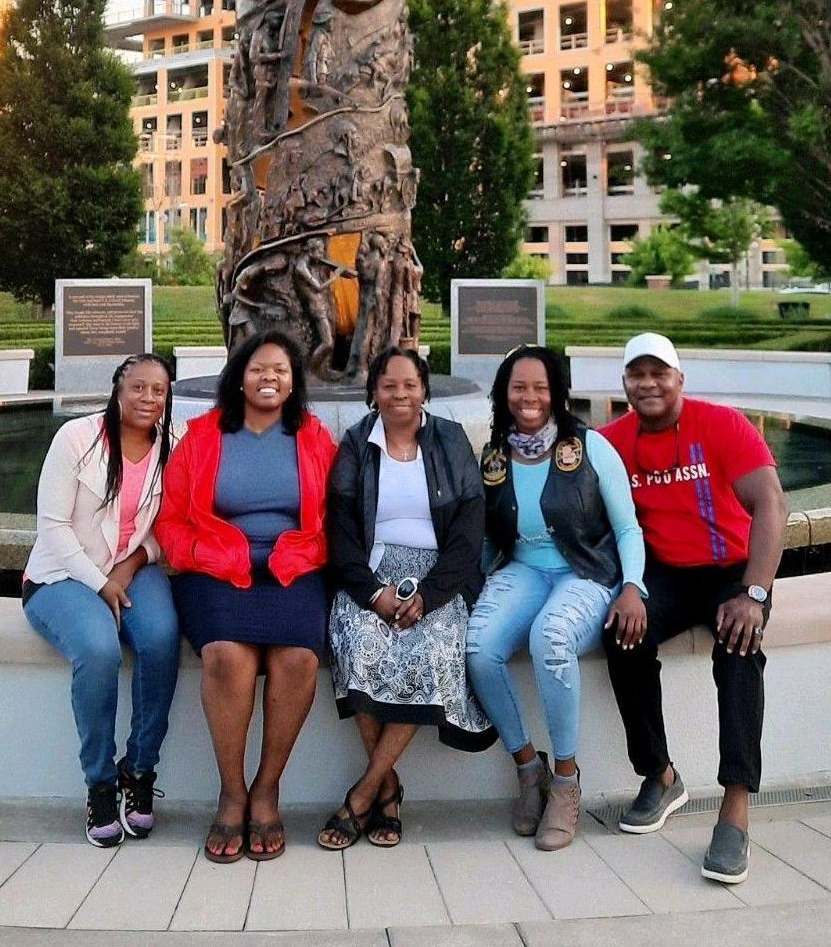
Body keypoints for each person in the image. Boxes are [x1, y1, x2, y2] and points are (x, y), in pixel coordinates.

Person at [599, 333, 788, 887]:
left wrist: (754, 593)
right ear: (625, 385)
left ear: (680, 379)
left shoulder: (724, 425)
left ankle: (735, 808)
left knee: (739, 647)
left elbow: (772, 503)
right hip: (666, 573)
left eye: (660, 373)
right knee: (622, 634)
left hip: (732, 569)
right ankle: (660, 774)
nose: (649, 383)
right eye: (637, 374)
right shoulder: (610, 442)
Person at [155, 329, 338, 864]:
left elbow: (334, 519)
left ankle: (267, 788)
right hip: (215, 569)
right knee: (226, 658)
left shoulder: (313, 438)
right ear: (238, 377)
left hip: (292, 568)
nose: (269, 379)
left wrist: (296, 556)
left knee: (299, 659)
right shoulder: (202, 437)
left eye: (281, 371)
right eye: (259, 369)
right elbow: (171, 524)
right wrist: (219, 558)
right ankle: (232, 792)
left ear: (293, 382)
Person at [465, 345, 647, 852]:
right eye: (519, 387)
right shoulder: (496, 453)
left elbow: (628, 528)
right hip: (523, 568)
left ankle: (566, 781)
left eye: (540, 388)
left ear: (557, 393)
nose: (530, 398)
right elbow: (487, 535)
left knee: (552, 637)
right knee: (478, 652)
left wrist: (633, 586)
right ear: (504, 392)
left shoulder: (590, 448)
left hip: (585, 572)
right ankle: (529, 770)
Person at [319, 347, 494, 851]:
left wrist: (433, 596)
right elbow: (343, 530)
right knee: (355, 640)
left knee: (433, 650)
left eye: (410, 385)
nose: (400, 395)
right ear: (373, 392)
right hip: (371, 577)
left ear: (424, 391)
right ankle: (388, 791)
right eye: (389, 385)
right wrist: (373, 593)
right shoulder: (356, 443)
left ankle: (362, 794)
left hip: (437, 578)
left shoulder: (450, 439)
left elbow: (468, 529)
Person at [23, 354, 181, 847]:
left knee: (160, 639)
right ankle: (100, 783)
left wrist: (130, 567)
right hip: (62, 575)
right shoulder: (76, 438)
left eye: (158, 390)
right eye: (138, 388)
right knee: (98, 649)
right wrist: (100, 582)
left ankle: (139, 771)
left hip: (131, 569)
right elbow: (52, 528)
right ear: (117, 389)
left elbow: (167, 529)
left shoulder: (170, 447)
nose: (148, 399)